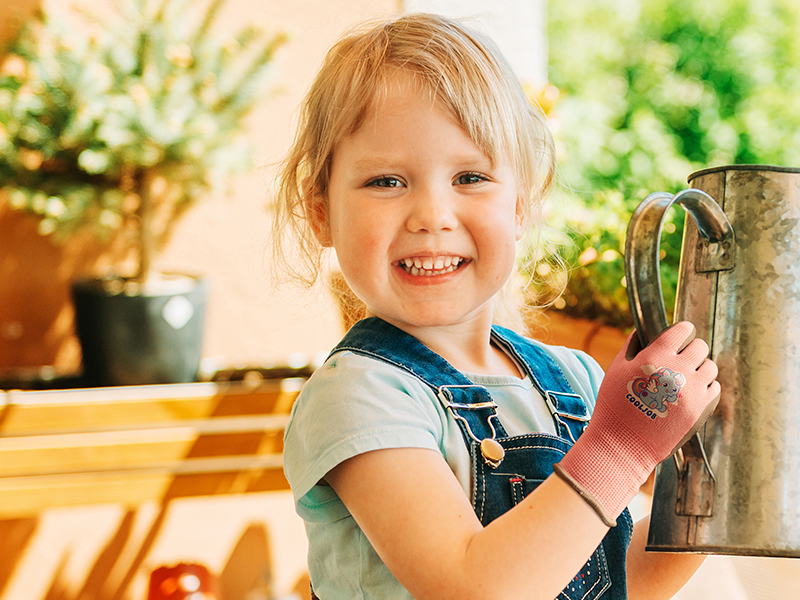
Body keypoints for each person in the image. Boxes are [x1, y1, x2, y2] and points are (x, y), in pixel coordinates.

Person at [273, 13, 720, 600]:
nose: (431, 214)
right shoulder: (360, 396)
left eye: (470, 176)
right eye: (386, 181)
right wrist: (619, 449)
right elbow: (471, 586)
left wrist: (715, 475)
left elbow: (621, 583)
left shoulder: (579, 383)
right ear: (320, 211)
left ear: (521, 204)